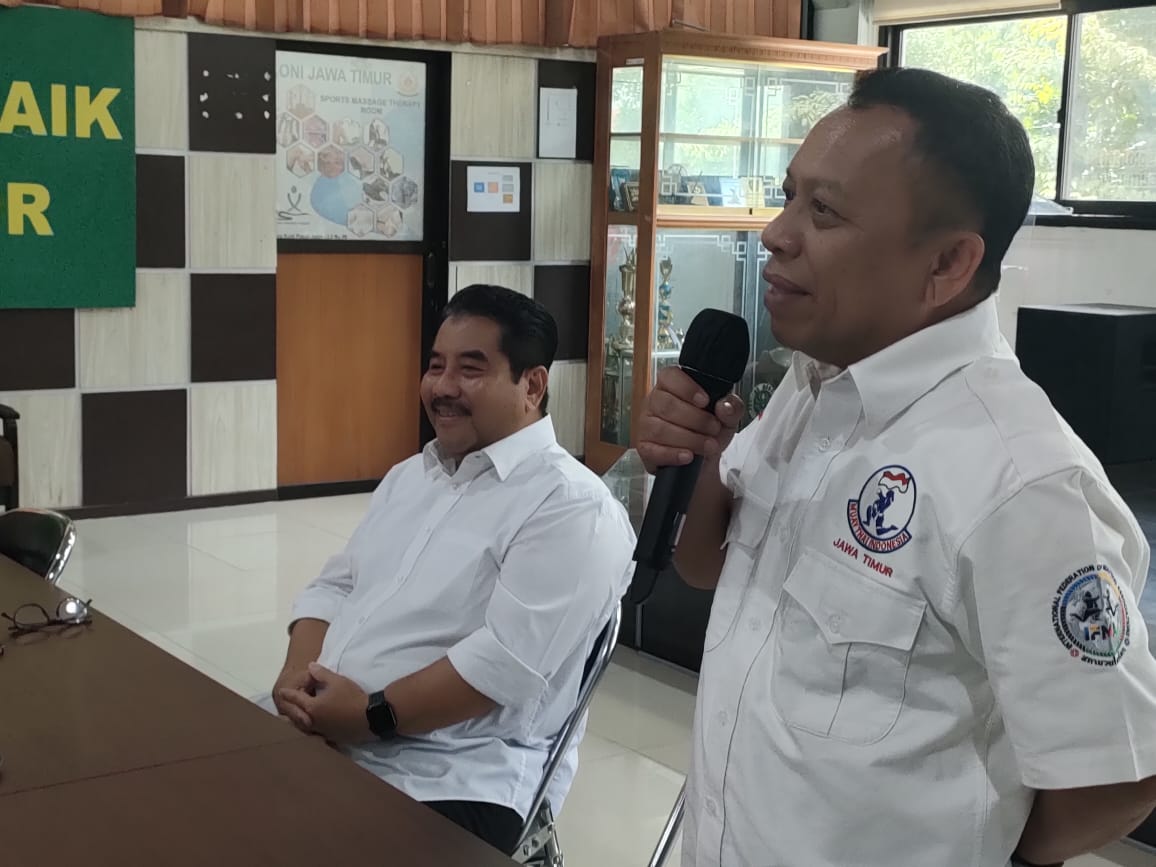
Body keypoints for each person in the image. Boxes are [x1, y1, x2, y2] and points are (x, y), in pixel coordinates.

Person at [638, 67, 1156, 867]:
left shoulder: (1020, 479)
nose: (776, 233)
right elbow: (706, 565)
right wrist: (698, 455)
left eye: (824, 211)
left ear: (947, 263)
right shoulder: (814, 384)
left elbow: (1116, 776)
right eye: (788, 195)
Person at [269, 284, 635, 854]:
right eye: (436, 365)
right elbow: (335, 586)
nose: (442, 387)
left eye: (470, 369)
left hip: (449, 773)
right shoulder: (413, 476)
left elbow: (502, 665)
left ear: (532, 386)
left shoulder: (572, 508)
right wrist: (298, 679)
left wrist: (368, 717)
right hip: (331, 729)